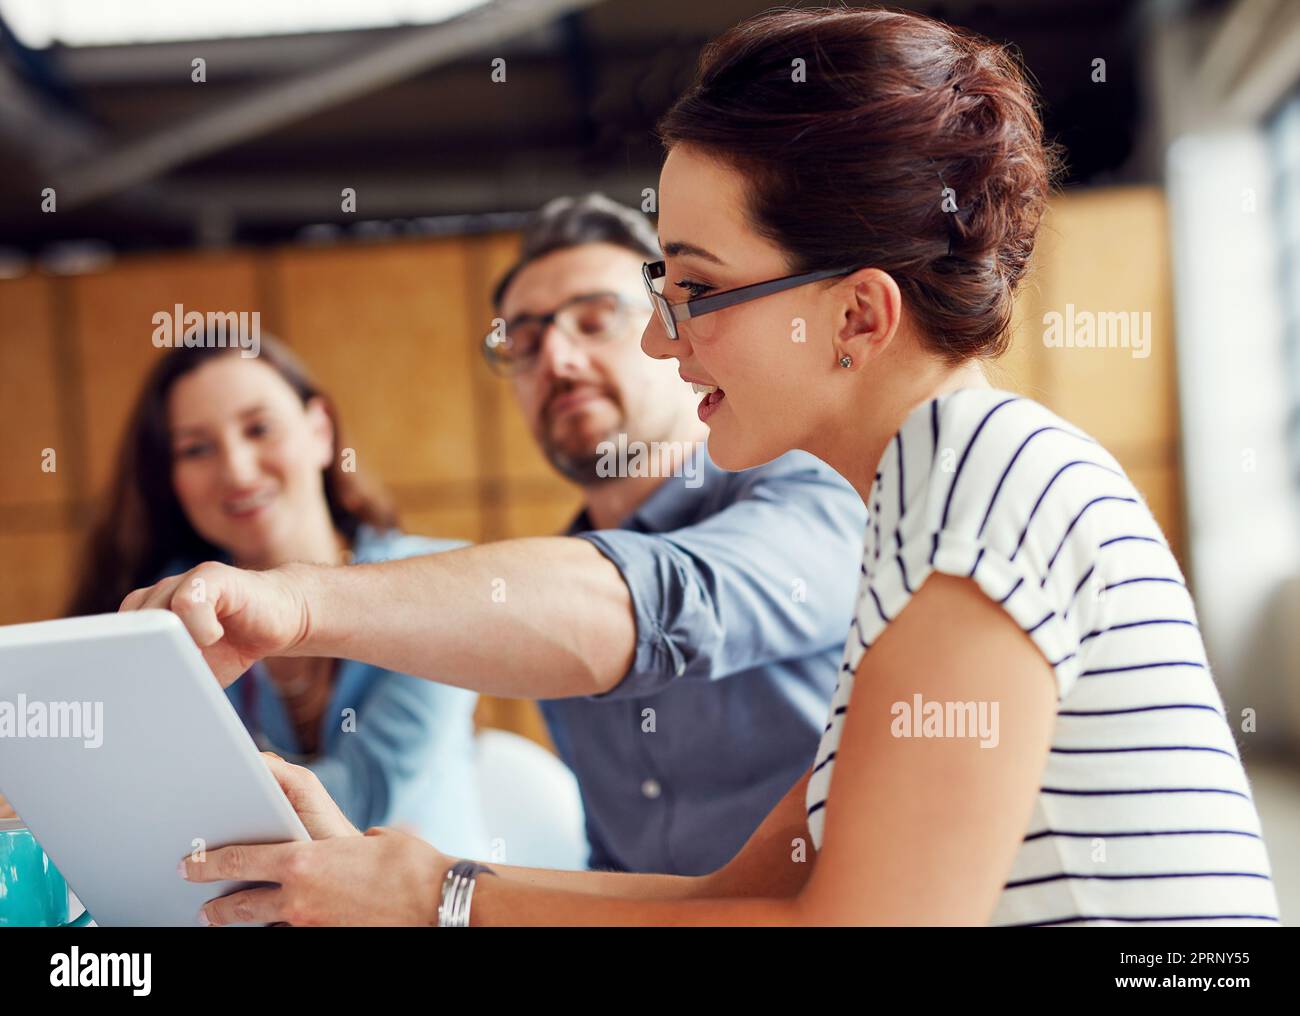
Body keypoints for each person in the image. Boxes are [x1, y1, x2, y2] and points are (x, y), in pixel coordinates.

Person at [126, 6, 1279, 925]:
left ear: (857, 318)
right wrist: (409, 883)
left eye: (700, 291)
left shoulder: (983, 492)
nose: (658, 338)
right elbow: (744, 891)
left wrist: (436, 897)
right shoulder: (919, 508)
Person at [62, 338, 488, 857]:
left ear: (320, 432)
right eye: (196, 448)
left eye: (259, 428)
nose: (238, 471)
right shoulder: (162, 609)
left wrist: (143, 791)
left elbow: (360, 798)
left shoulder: (437, 584)